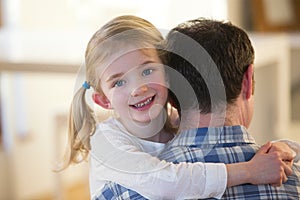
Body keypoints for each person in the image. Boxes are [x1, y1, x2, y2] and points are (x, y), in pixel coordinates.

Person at [64, 15, 297, 200]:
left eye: (147, 71)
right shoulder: (108, 143)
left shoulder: (172, 124)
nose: (138, 89)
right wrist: (248, 171)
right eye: (119, 82)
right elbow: (164, 182)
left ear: (169, 79)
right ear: (104, 101)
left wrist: (284, 147)